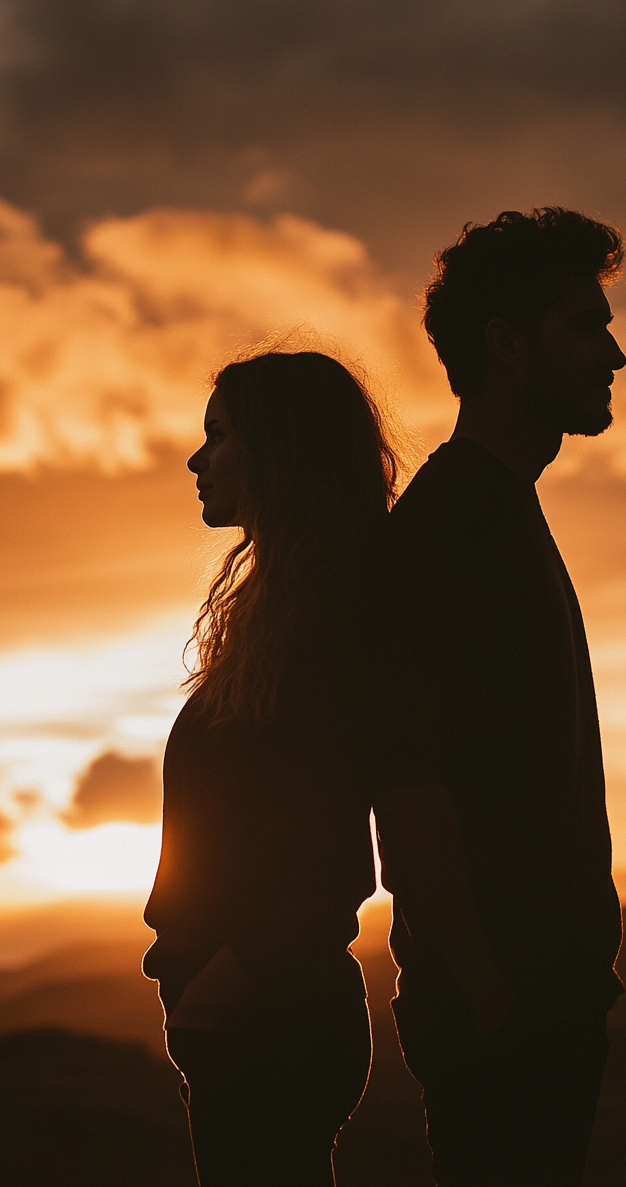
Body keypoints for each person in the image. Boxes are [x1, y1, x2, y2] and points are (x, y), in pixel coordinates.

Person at [374, 208, 626, 1186]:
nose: (613, 353)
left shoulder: (498, 508)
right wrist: (490, 992)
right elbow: (407, 779)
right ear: (507, 346)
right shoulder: (451, 527)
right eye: (584, 325)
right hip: (506, 1012)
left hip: (541, 997)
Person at [142, 350, 400, 1187]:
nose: (196, 458)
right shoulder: (284, 613)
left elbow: (324, 853)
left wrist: (221, 982)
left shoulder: (316, 627)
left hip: (270, 1019)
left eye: (219, 436)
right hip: (256, 1016)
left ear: (279, 453)